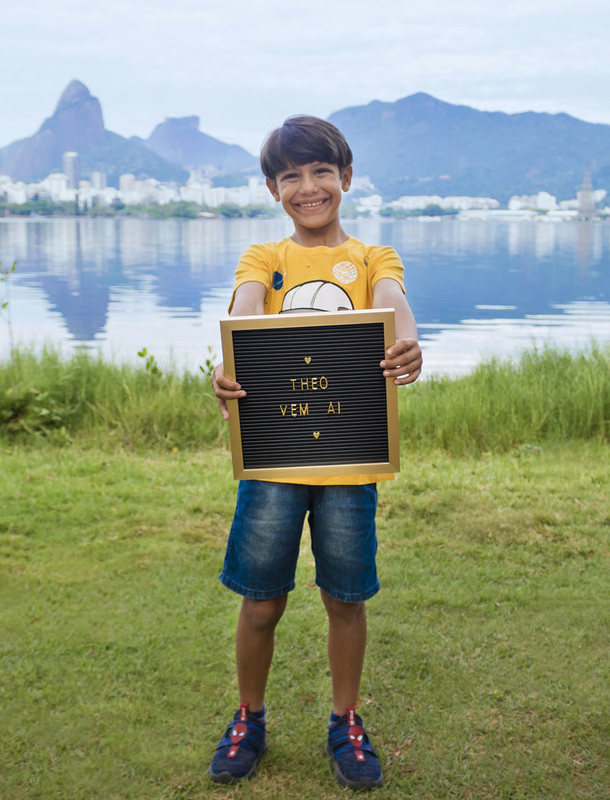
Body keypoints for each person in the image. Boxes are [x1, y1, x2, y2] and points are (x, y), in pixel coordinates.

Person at [207, 115, 422, 789]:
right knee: (263, 602)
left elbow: (392, 305)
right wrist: (227, 362)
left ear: (346, 179)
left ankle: (346, 719)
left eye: (321, 172)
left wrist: (409, 341)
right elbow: (244, 315)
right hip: (273, 460)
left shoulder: (373, 259)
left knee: (345, 599)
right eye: (292, 176)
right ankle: (249, 715)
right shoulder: (263, 261)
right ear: (274, 189)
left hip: (351, 462)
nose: (308, 187)